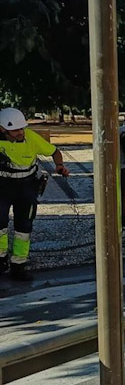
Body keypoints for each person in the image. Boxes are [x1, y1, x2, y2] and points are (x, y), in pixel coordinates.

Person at [0, 108, 70, 281]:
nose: (20, 132)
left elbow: (55, 152)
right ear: (2, 129)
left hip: (27, 187)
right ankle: (0, 260)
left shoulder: (30, 137)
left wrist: (59, 166)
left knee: (24, 227)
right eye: (15, 130)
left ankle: (18, 265)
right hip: (2, 187)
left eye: (21, 128)